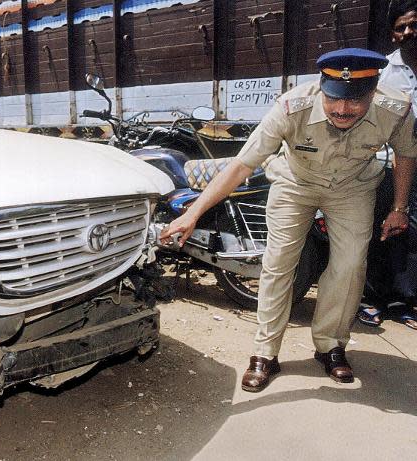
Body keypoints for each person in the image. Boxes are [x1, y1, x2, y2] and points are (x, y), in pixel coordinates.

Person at [159, 48, 417, 393]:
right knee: (279, 262)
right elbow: (242, 165)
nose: (342, 110)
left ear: (373, 92)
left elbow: (406, 152)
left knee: (351, 264)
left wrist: (399, 207)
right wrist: (192, 213)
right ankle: (265, 353)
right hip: (295, 184)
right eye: (334, 100)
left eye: (355, 102)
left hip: (352, 188)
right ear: (322, 88)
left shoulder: (396, 109)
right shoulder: (291, 107)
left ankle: (330, 346)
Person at [356, 0, 417, 330]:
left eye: (414, 25)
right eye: (401, 27)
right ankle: (372, 298)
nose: (408, 32)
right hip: (390, 165)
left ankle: (402, 299)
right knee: (382, 230)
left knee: (412, 236)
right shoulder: (384, 74)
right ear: (393, 35)